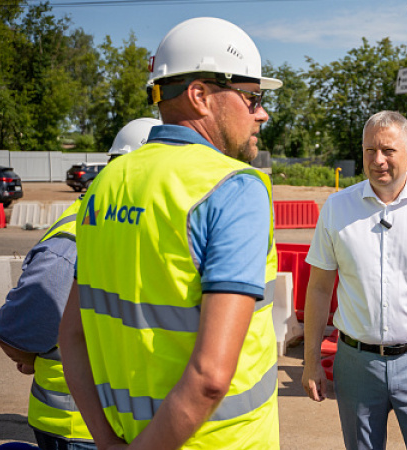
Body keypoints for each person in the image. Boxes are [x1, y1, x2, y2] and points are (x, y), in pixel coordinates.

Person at [58, 17, 282, 450]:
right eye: (251, 97)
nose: (262, 112)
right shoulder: (234, 188)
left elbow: (71, 336)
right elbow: (211, 378)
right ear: (200, 95)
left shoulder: (108, 182)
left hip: (126, 435)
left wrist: (106, 442)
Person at [301, 110, 407, 450]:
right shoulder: (337, 208)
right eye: (369, 150)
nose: (378, 160)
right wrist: (310, 363)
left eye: (388, 150)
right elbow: (319, 289)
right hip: (355, 365)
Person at [0, 117, 159, 450]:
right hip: (79, 431)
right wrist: (31, 354)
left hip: (130, 426)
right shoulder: (76, 238)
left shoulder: (141, 227)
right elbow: (19, 330)